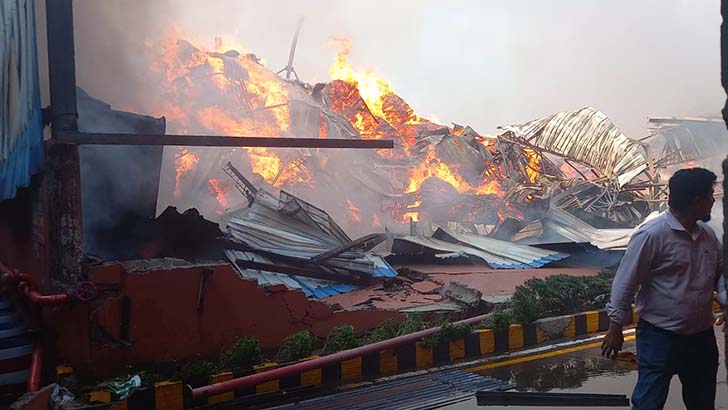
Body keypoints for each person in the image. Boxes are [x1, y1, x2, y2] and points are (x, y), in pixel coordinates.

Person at [601, 167, 724, 410]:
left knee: (702, 403)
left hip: (701, 338)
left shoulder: (708, 236)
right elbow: (626, 282)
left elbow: (721, 274)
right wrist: (616, 328)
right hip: (659, 337)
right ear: (696, 200)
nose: (714, 200)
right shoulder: (652, 235)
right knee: (649, 402)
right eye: (710, 195)